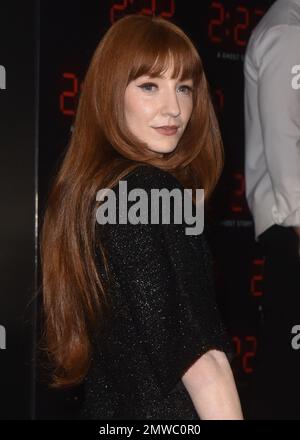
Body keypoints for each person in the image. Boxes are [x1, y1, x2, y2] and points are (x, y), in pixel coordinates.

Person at [39, 14, 243, 420]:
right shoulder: (150, 191)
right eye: (149, 86)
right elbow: (204, 362)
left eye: (184, 87)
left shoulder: (89, 195)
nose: (174, 109)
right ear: (112, 94)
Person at [244, 0, 300, 419]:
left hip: (290, 230)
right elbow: (286, 144)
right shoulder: (288, 32)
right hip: (292, 230)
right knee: (288, 379)